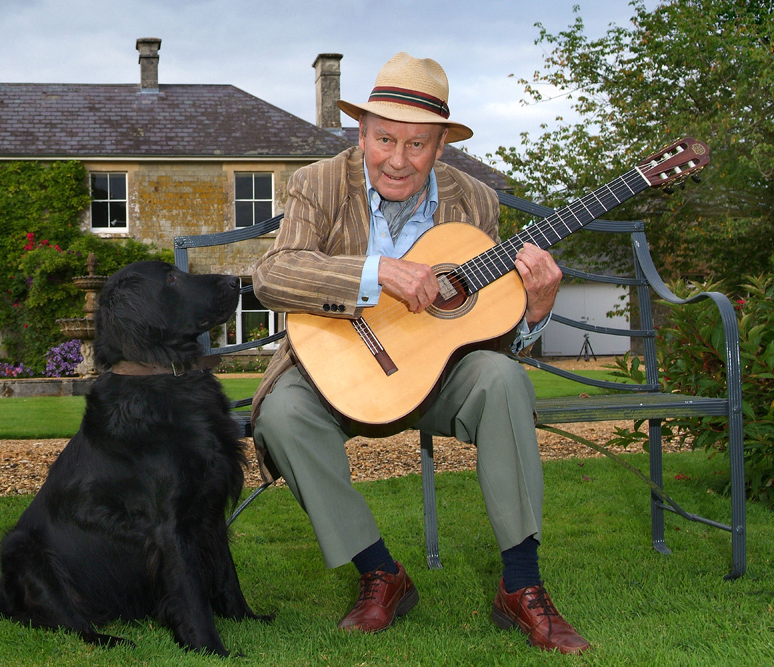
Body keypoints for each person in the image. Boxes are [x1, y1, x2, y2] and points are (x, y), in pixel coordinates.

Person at [250, 52, 589, 655]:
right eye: (385, 139)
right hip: (339, 369)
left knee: (504, 379)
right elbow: (275, 275)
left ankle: (521, 585)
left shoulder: (476, 201)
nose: (398, 160)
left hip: (437, 379)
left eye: (418, 145)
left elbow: (485, 328)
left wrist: (534, 311)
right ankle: (381, 572)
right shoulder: (319, 182)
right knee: (281, 414)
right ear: (362, 132)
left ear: (441, 147)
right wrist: (376, 272)